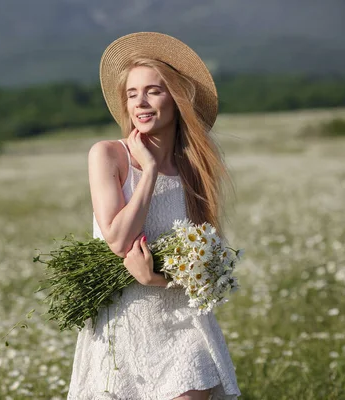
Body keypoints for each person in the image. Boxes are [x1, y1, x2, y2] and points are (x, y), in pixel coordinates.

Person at [67, 32, 240, 400]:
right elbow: (117, 239)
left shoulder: (194, 170)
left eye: (153, 91)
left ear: (176, 99)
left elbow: (212, 268)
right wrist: (146, 174)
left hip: (183, 327)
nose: (140, 103)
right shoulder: (107, 155)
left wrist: (159, 280)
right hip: (125, 327)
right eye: (132, 94)